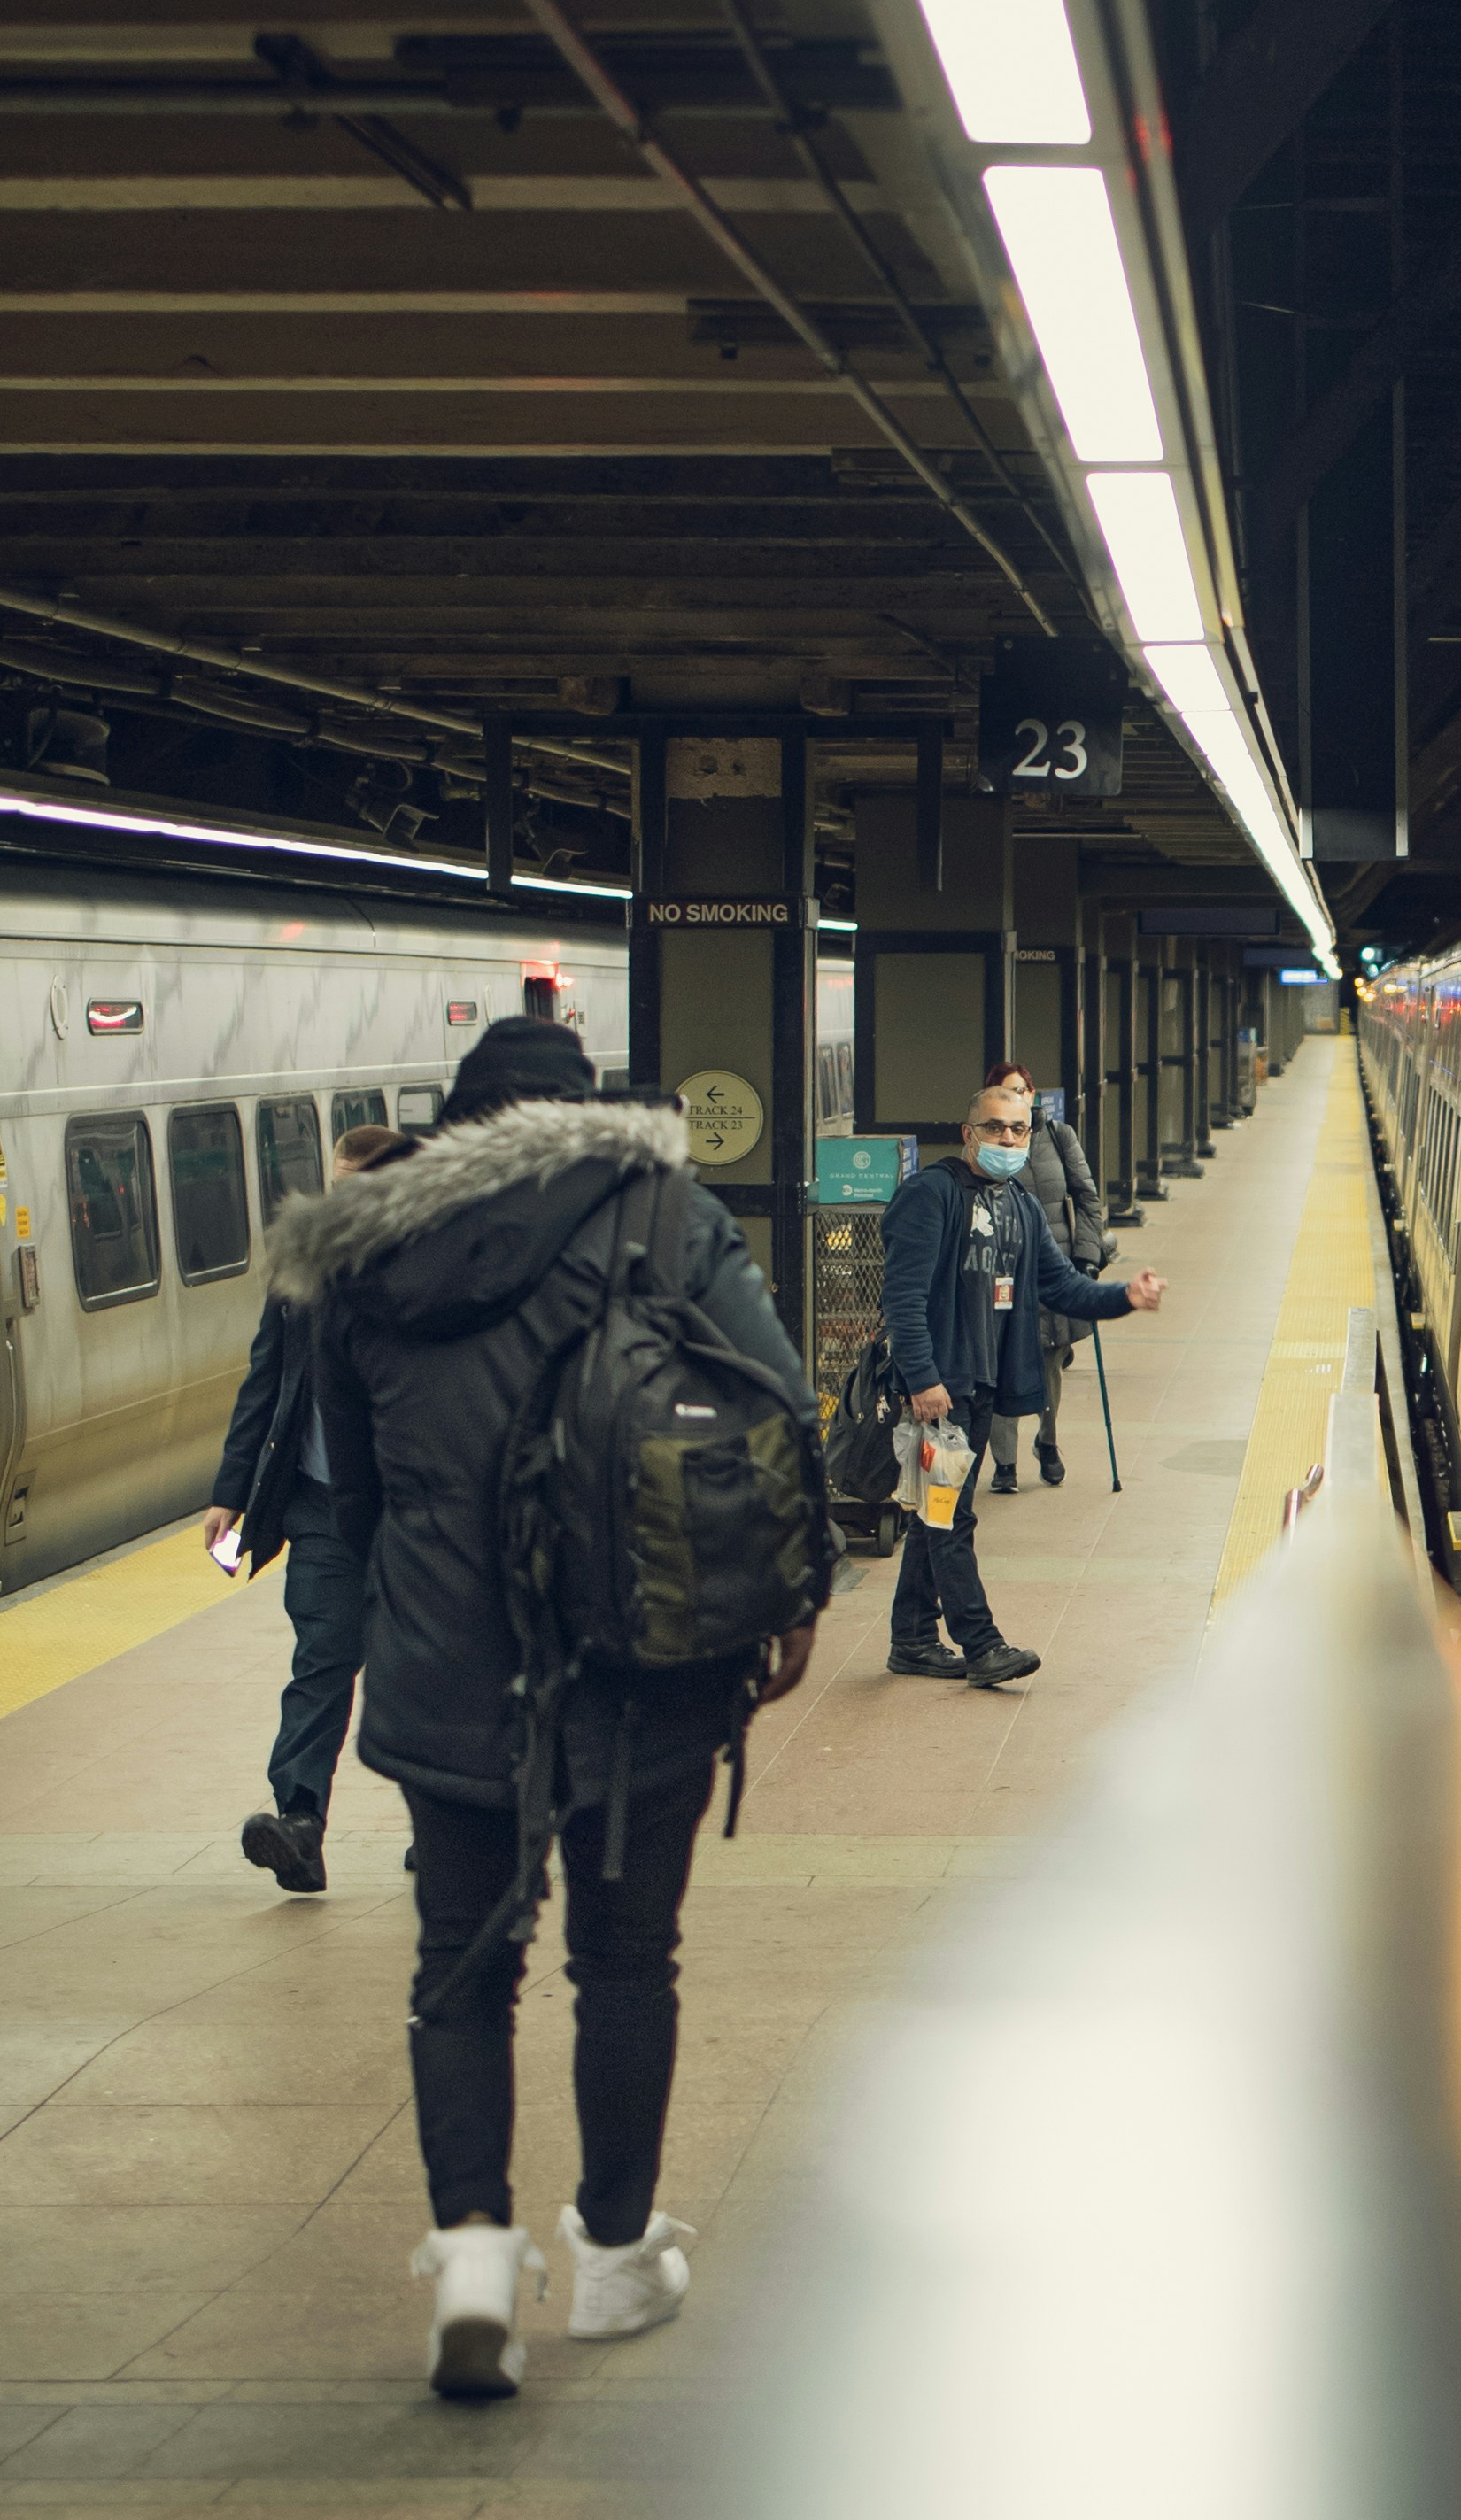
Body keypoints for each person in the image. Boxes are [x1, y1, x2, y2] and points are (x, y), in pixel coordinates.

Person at [280, 1017, 818, 2401]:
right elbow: (778, 1406)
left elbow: (360, 1486)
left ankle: (472, 2256)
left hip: (445, 1666)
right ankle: (620, 2257)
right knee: (625, 1961)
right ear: (587, 1112)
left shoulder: (365, 1247)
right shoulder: (662, 1210)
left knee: (461, 1964)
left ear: (455, 1119)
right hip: (640, 1658)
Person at [877, 1075, 1162, 1685]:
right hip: (939, 1392)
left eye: (1018, 1128)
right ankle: (982, 1646)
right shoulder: (931, 1195)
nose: (1007, 1137)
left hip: (979, 1389)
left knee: (937, 1511)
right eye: (995, 1127)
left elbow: (1060, 1286)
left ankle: (912, 1638)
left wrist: (1124, 1297)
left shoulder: (1020, 1206)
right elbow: (902, 1297)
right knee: (951, 1516)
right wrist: (922, 1378)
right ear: (968, 1133)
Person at [205, 1116, 419, 1898]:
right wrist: (231, 1490)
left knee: (423, 1667)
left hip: (416, 1512)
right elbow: (267, 1381)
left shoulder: (438, 1271)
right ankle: (299, 1823)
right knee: (320, 1664)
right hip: (324, 1507)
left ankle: (442, 1821)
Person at [976, 1061, 1109, 1493]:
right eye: (1004, 1091)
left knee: (1051, 1360)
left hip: (1054, 1270)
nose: (1014, 1099)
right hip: (1004, 1273)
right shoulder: (989, 1147)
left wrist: (1087, 1256)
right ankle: (1005, 1464)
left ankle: (1047, 1441)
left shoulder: (1058, 1136)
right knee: (1000, 1362)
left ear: (1032, 1096)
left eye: (1020, 1090)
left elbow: (1087, 1197)